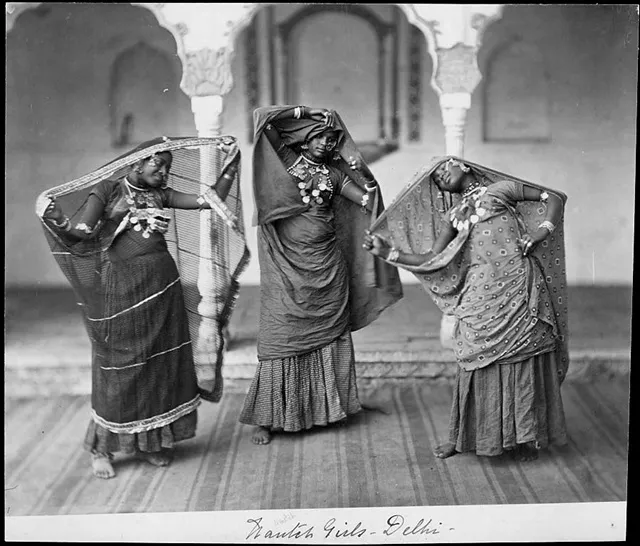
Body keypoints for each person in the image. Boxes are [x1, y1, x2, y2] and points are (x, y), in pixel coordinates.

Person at [37, 136, 247, 479]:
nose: (164, 172)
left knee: (158, 365)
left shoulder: (160, 194)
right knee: (121, 367)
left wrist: (229, 160)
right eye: (157, 165)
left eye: (168, 166)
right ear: (136, 163)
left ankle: (149, 445)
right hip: (119, 291)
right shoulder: (107, 190)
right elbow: (80, 236)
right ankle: (101, 448)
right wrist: (100, 218)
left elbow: (208, 200)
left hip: (162, 286)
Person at [364, 157, 569, 462]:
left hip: (518, 285)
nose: (441, 176)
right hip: (479, 292)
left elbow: (553, 197)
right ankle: (462, 437)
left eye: (445, 168)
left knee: (523, 356)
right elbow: (432, 257)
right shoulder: (454, 215)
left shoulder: (500, 190)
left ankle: (525, 437)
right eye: (436, 178)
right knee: (472, 357)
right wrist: (388, 252)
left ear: (466, 165)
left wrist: (542, 231)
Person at [239, 105, 403, 445]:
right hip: (286, 265)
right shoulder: (287, 161)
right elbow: (263, 121)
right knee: (280, 335)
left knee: (330, 335)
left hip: (328, 265)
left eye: (333, 139)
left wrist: (363, 174)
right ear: (305, 138)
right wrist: (302, 110)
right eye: (322, 137)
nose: (328, 144)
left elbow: (366, 200)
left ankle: (327, 409)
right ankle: (268, 419)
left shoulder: (335, 176)